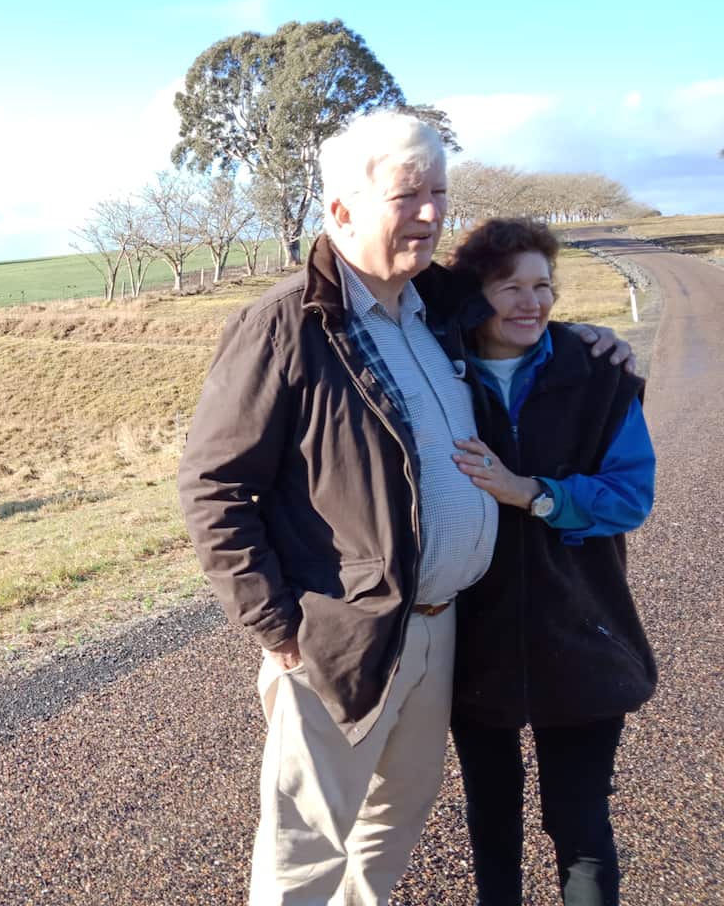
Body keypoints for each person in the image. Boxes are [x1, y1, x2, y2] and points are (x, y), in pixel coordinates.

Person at [176, 110, 633, 906]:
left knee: (394, 823)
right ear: (341, 208)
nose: (430, 213)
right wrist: (277, 629)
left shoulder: (436, 307)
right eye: (407, 195)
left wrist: (582, 337)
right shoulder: (286, 324)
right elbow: (213, 486)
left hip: (441, 624)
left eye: (439, 193)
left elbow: (520, 315)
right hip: (340, 634)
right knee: (306, 850)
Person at [444, 218, 656, 906]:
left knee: (579, 822)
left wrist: (533, 494)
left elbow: (630, 496)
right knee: (491, 818)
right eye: (510, 287)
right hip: (474, 636)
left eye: (542, 285)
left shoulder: (599, 374)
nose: (531, 302)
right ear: (475, 296)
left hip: (583, 628)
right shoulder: (438, 378)